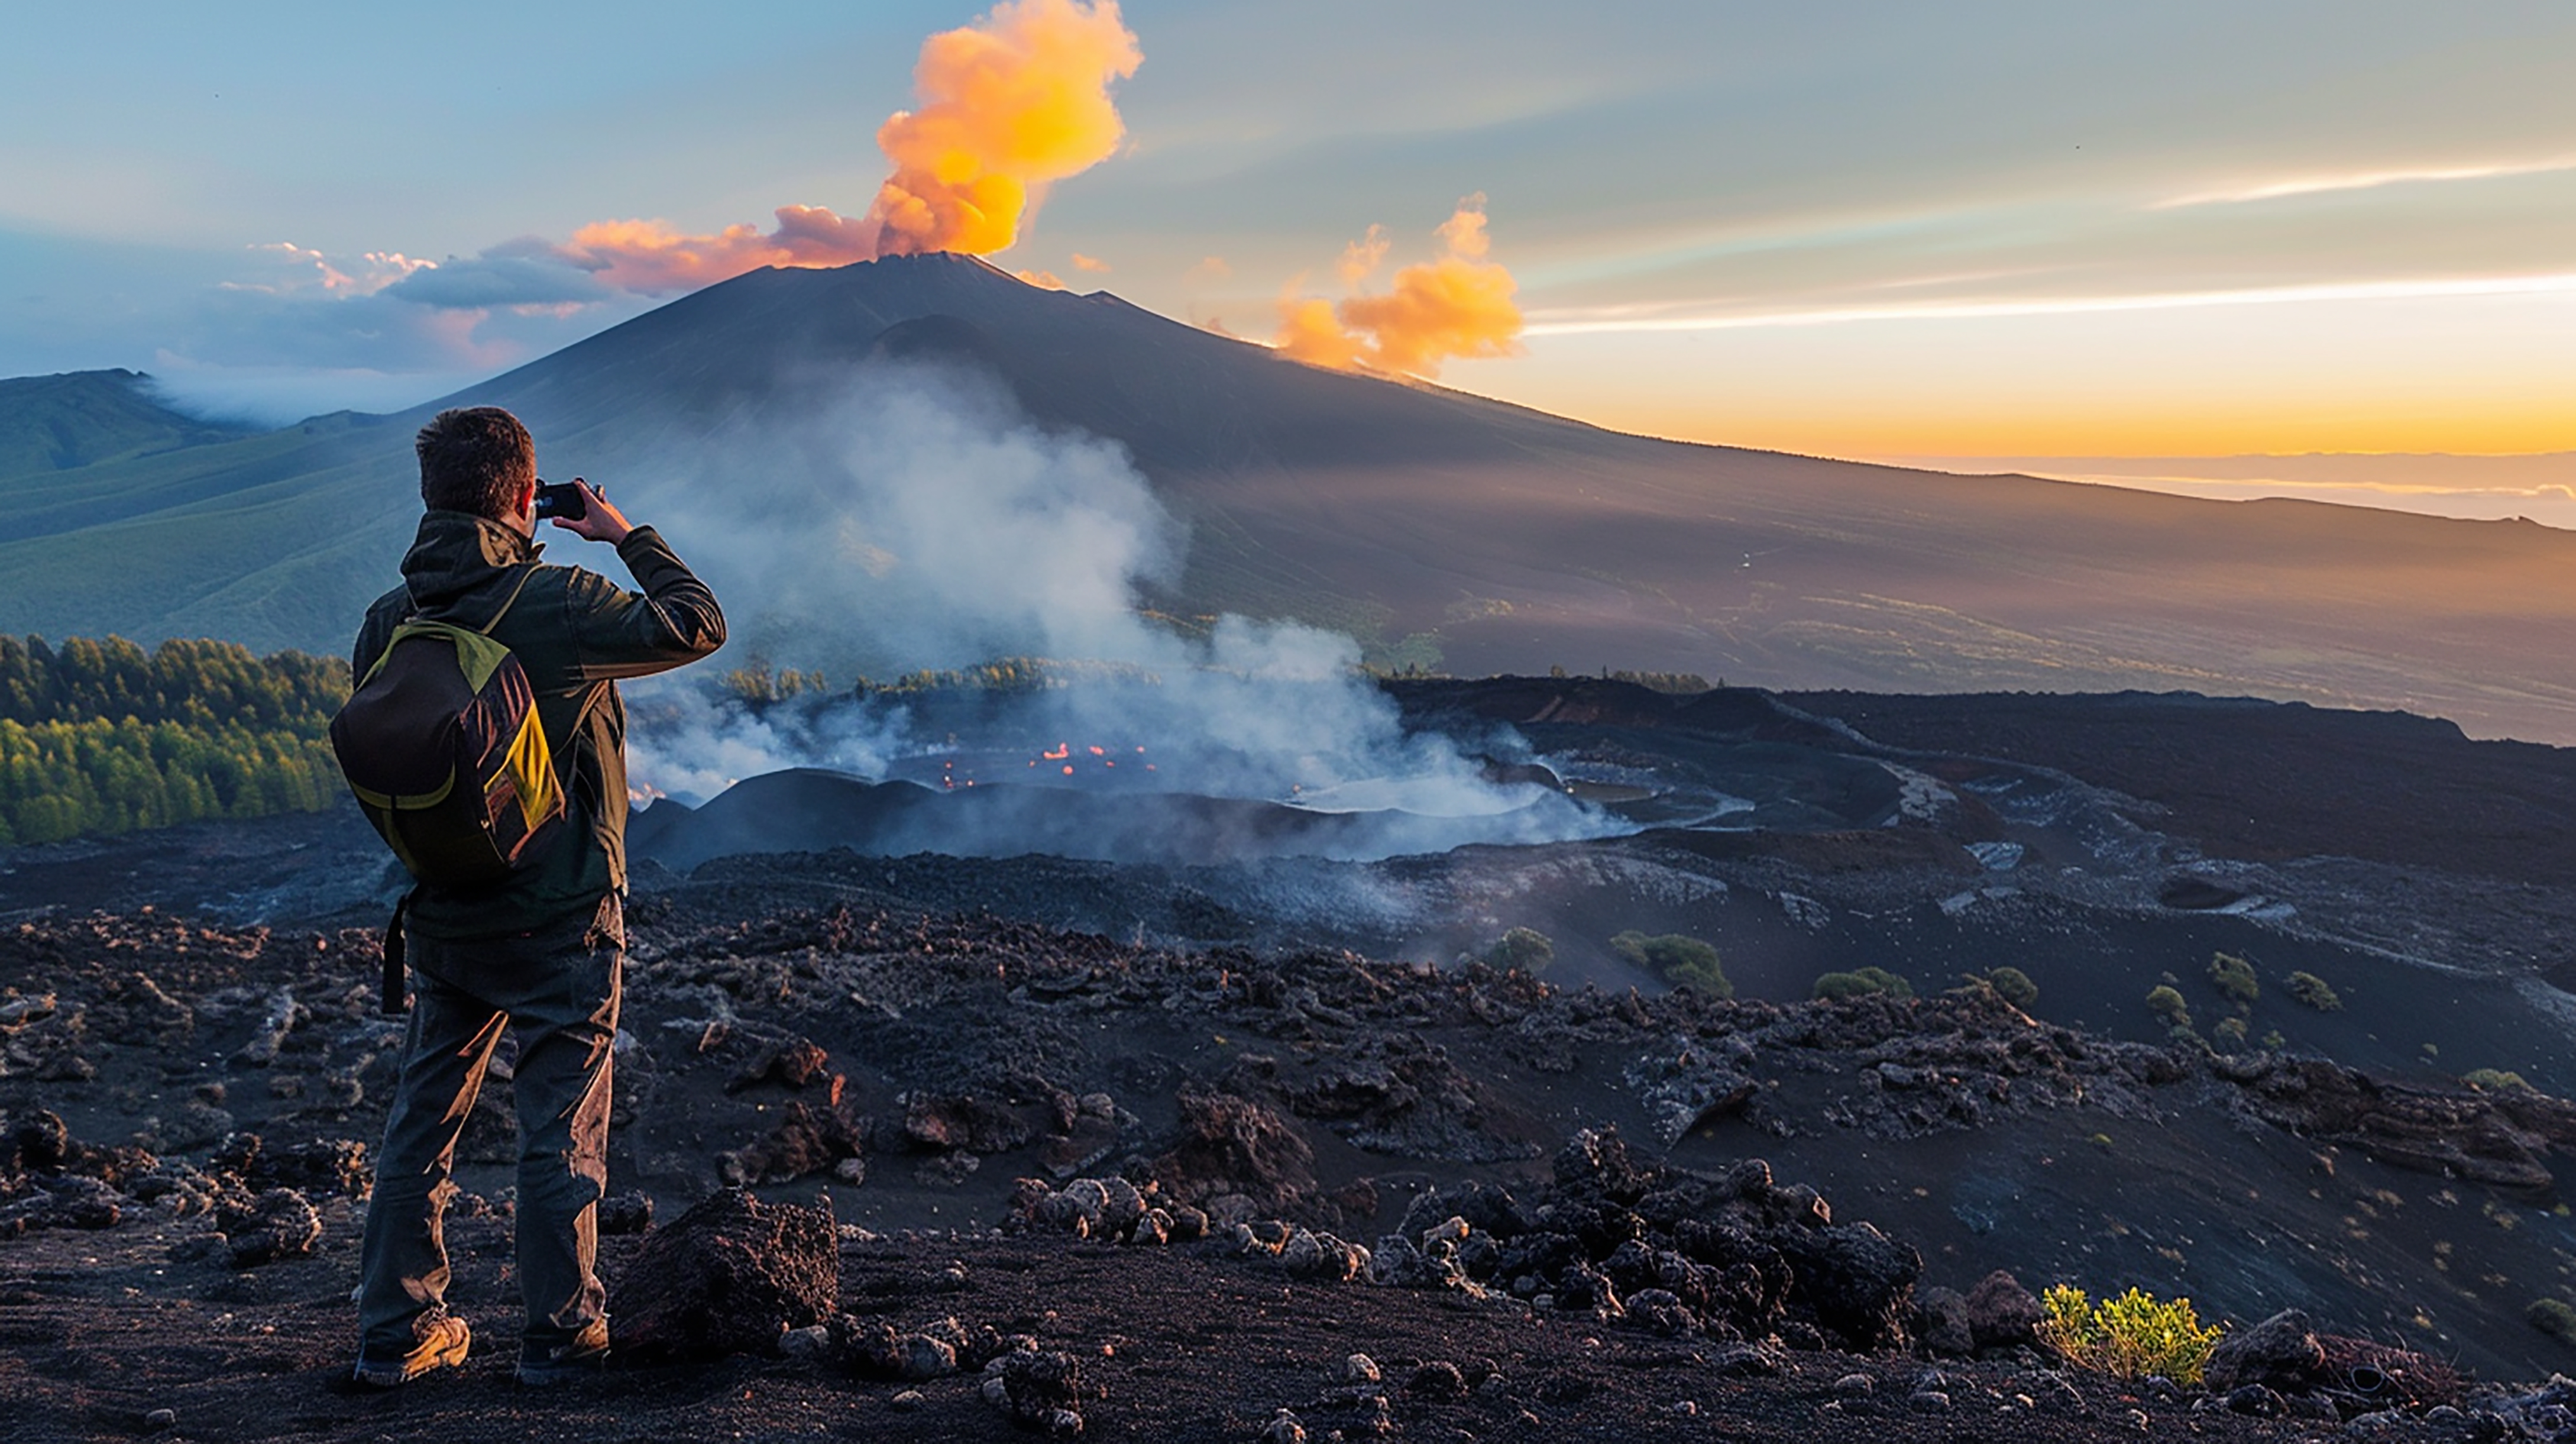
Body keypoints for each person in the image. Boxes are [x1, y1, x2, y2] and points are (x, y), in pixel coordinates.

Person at [349, 406, 724, 1387]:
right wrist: (624, 534)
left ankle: (394, 1331)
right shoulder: (556, 600)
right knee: (558, 1125)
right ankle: (559, 1334)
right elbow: (698, 622)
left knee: (422, 1122)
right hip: (562, 915)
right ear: (527, 497)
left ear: (432, 498)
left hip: (444, 910)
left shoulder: (388, 622)